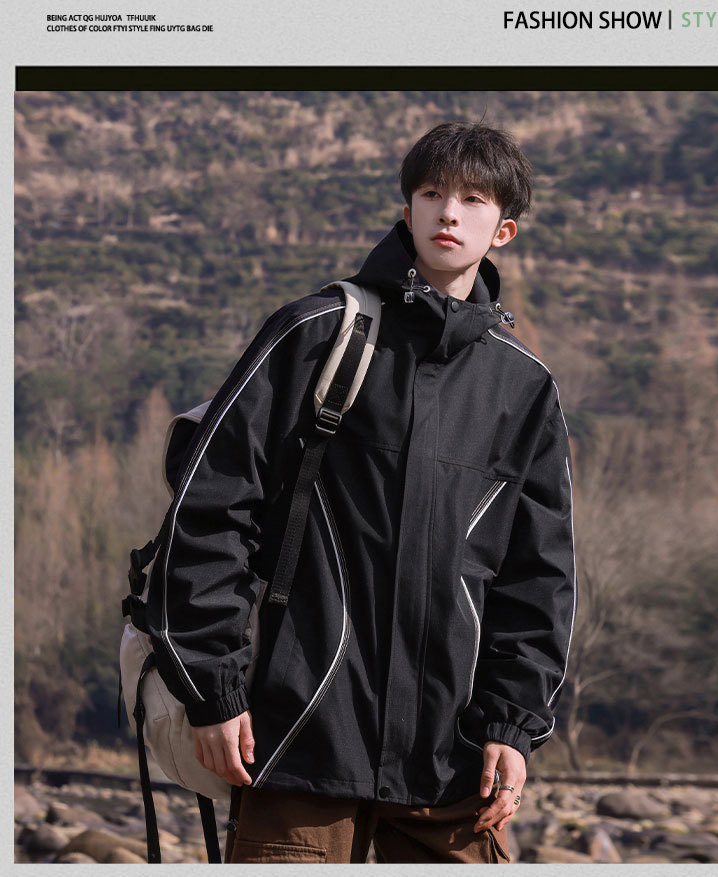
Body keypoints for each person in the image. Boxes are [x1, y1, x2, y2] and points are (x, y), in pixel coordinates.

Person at [146, 121, 576, 864]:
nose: (448, 213)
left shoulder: (524, 387)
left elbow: (538, 577)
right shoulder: (313, 335)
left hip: (451, 765)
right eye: (432, 193)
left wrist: (512, 723)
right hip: (296, 743)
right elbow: (209, 513)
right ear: (407, 209)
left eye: (473, 199)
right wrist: (212, 690)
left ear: (502, 229)